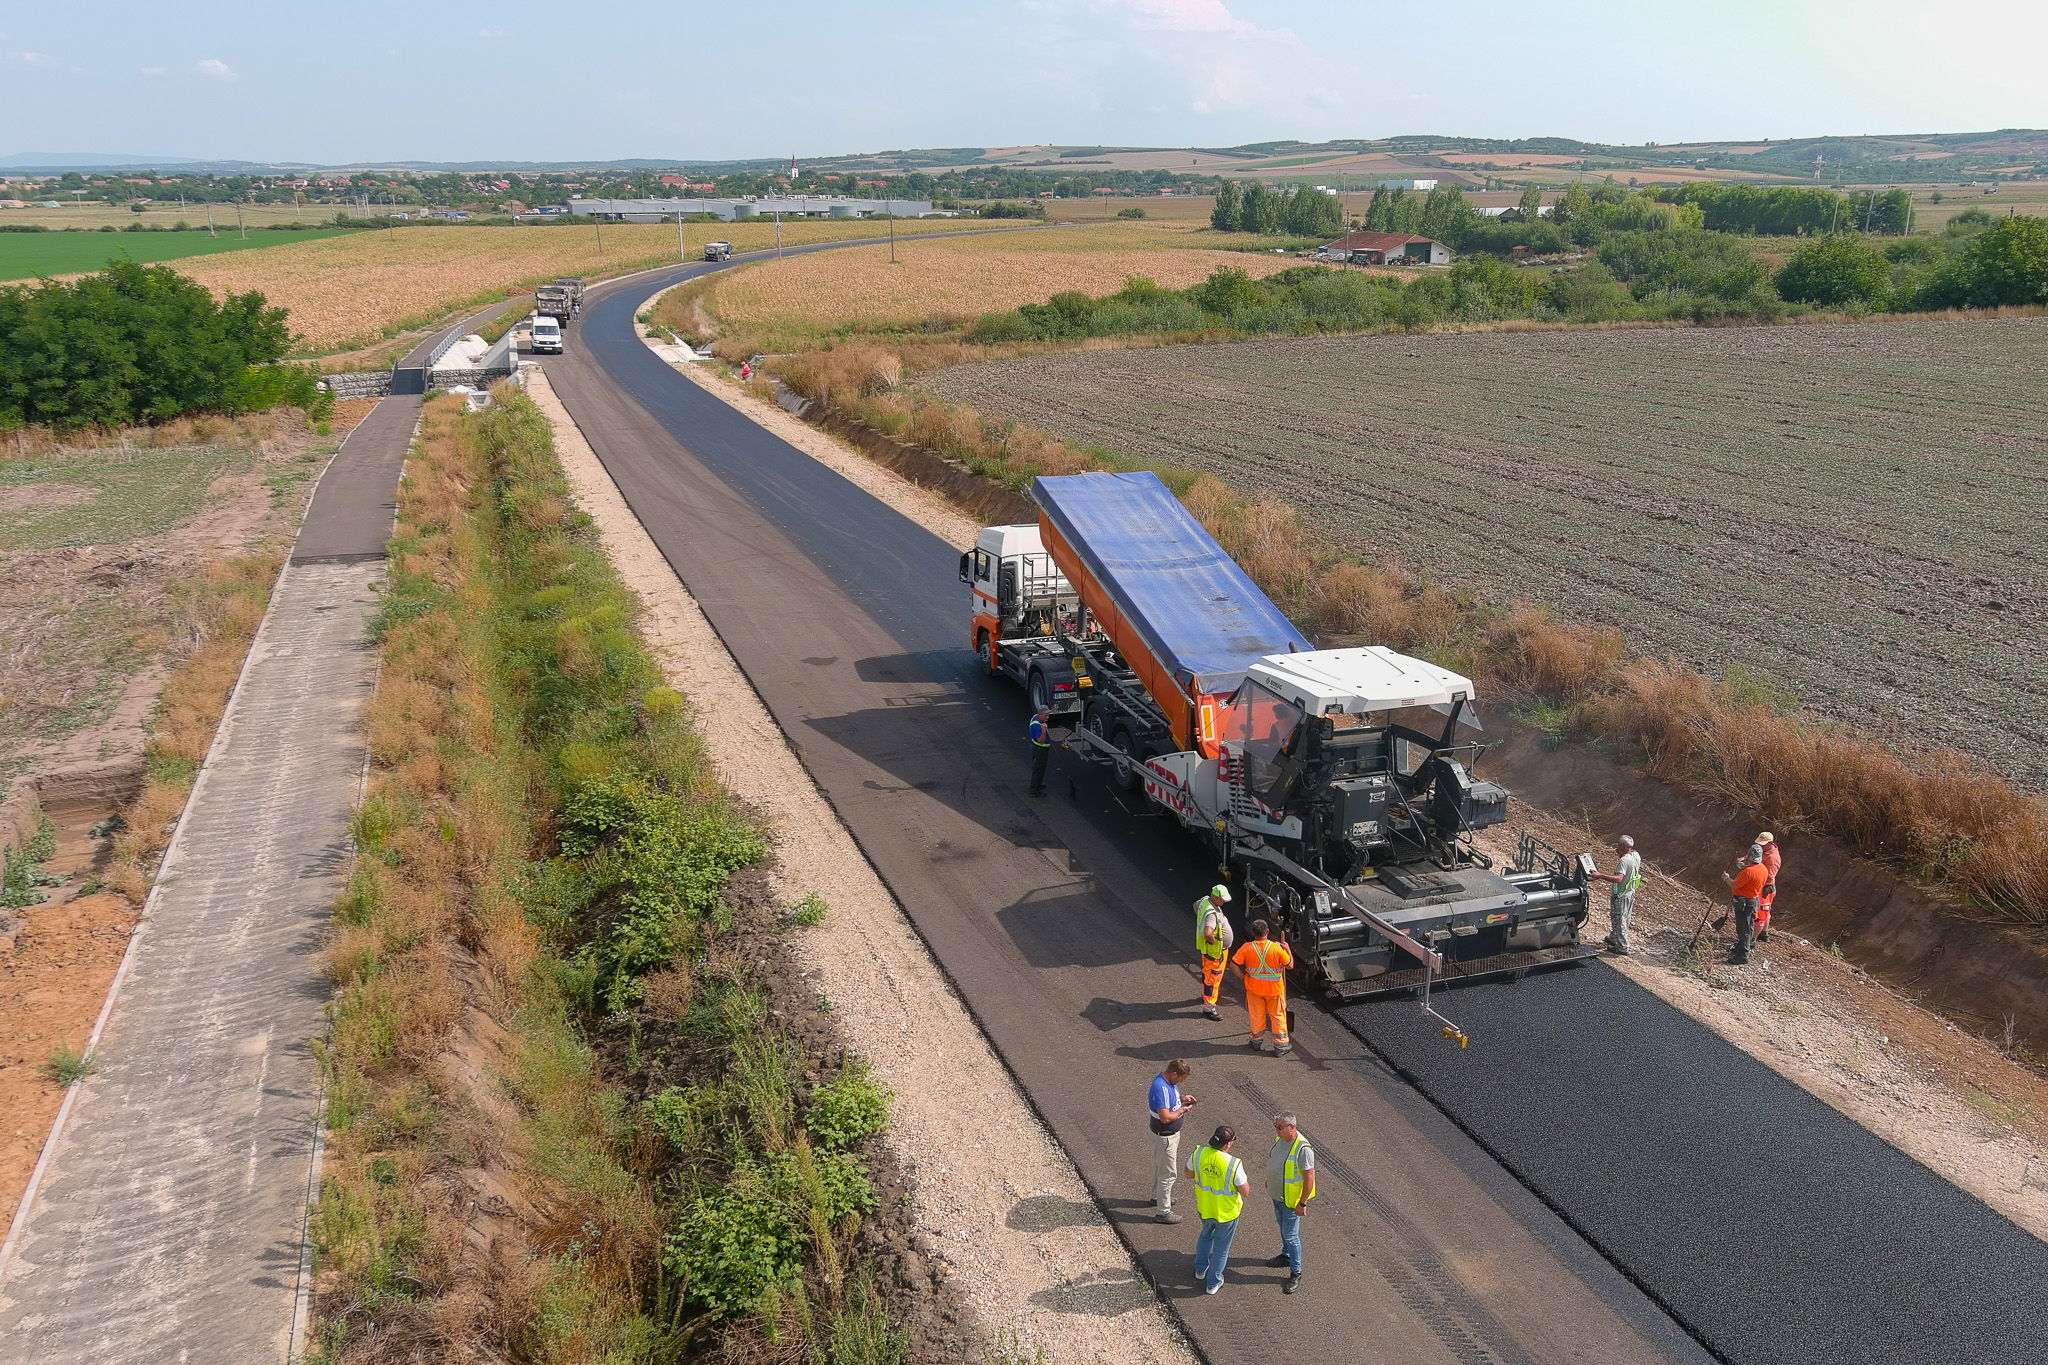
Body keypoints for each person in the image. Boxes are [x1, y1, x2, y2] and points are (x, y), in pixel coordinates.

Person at [1184, 1124, 1251, 1295]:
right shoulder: (1233, 1164)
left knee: (1205, 1236)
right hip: (1227, 1214)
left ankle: (1200, 1270)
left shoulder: (1198, 1153)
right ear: (1227, 1144)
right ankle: (1213, 1282)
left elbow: (1188, 1174)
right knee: (1221, 1248)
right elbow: (1246, 1191)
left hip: (1205, 1207)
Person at [1265, 1111, 1316, 1294]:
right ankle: (1286, 1255)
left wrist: (1302, 1203)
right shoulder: (1281, 1140)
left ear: (1292, 1127)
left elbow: (1309, 1177)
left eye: (1279, 1127)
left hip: (1291, 1201)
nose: (1276, 1130)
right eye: (1276, 1127)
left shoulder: (1303, 1149)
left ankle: (1296, 1272)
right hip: (1277, 1196)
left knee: (1292, 1235)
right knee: (1283, 1227)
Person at [1232, 919, 1295, 1055]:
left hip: (1254, 990)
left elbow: (1233, 965)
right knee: (1278, 1016)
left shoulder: (1247, 948)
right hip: (1274, 991)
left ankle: (1256, 1042)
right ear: (1267, 931)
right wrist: (1287, 949)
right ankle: (1281, 1046)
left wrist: (1244, 978)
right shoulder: (1276, 948)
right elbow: (1290, 966)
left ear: (1253, 932)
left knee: (1256, 1016)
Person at [1148, 1060, 1197, 1225]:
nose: (1181, 1082)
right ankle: (1163, 1212)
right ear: (1174, 1073)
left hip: (1168, 1136)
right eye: (1181, 1079)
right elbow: (1165, 1117)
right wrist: (1183, 1110)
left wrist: (1182, 1099)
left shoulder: (1168, 1082)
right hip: (1165, 1137)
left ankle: (1158, 1196)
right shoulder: (1160, 1088)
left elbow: (1172, 1098)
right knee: (1168, 1174)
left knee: (1161, 1168)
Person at [1586, 835, 1643, 955]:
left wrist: (1599, 875)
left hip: (1621, 896)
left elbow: (1618, 879)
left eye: (1618, 846)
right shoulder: (1636, 856)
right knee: (1625, 918)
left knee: (1618, 920)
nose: (1616, 848)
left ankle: (1622, 947)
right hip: (1630, 893)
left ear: (1623, 847)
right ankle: (1613, 937)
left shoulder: (1624, 861)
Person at [1721, 847, 1770, 964]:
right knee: (1749, 926)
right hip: (1753, 900)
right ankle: (1744, 946)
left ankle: (1743, 955)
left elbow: (1735, 885)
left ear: (1749, 856)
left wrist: (1726, 878)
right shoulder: (1763, 868)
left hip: (1745, 902)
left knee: (1743, 929)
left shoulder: (1748, 872)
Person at [1194, 884, 1235, 1021]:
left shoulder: (1205, 900)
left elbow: (1195, 906)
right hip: (1215, 951)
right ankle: (1209, 1008)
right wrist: (1213, 942)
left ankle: (1205, 996)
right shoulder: (1211, 913)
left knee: (1208, 974)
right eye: (1222, 899)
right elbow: (1208, 932)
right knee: (1213, 978)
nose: (1224, 902)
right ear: (1215, 897)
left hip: (1210, 950)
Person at [1756, 832, 1781, 943]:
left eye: (1763, 844)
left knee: (1762, 912)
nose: (1761, 846)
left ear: (1770, 843)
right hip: (1763, 887)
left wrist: (1753, 874)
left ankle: (1754, 938)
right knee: (1765, 912)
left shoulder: (1772, 858)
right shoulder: (1765, 851)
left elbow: (1769, 877)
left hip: (1766, 888)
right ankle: (1764, 933)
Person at [1026, 707, 1052, 797]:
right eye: (1045, 715)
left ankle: (1038, 785)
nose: (1047, 717)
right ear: (1040, 715)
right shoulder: (1037, 726)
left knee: (1041, 768)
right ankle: (1034, 791)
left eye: (1048, 715)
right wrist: (1044, 730)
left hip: (1039, 749)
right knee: (1038, 770)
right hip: (1040, 749)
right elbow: (1041, 741)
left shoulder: (1035, 717)